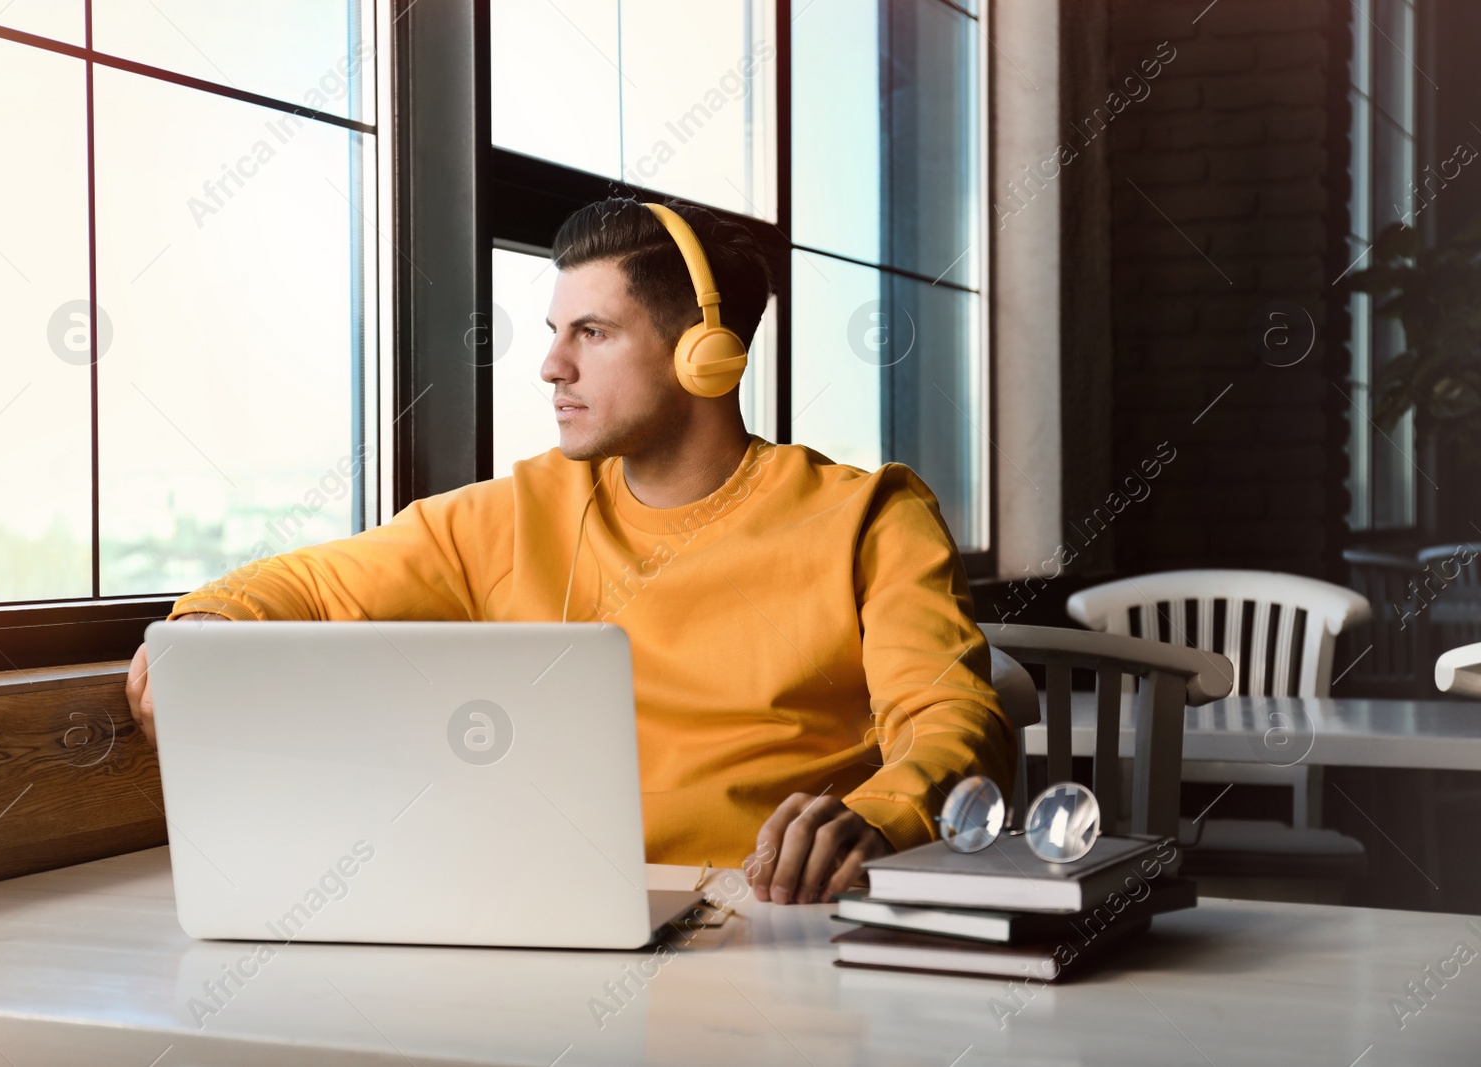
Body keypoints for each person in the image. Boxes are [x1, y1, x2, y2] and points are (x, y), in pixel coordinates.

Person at [126, 196, 1014, 906]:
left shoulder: (870, 516)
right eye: (556, 333)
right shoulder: (517, 511)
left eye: (591, 332)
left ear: (704, 355)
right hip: (551, 915)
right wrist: (206, 626)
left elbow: (952, 720)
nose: (551, 365)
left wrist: (880, 816)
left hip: (780, 920)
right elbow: (311, 583)